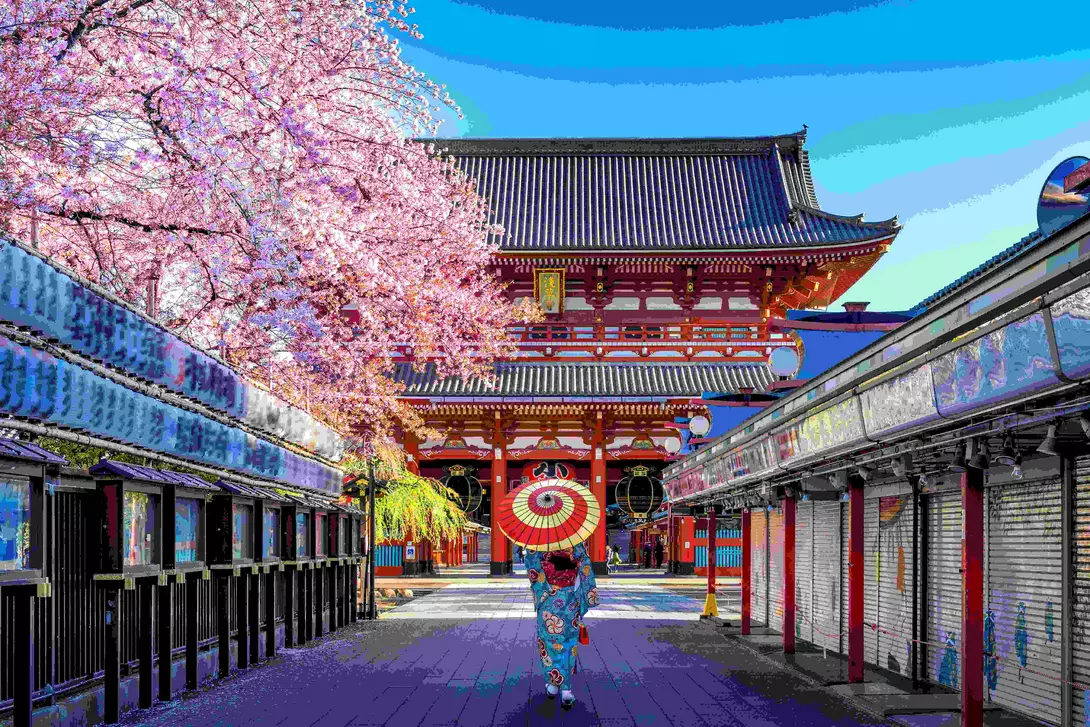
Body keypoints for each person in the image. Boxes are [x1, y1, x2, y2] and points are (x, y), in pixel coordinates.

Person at [524, 542, 598, 709]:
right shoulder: (575, 541)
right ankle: (566, 689)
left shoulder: (537, 542)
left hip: (549, 598)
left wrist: (545, 582)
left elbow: (532, 568)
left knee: (549, 642)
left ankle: (553, 684)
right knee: (568, 642)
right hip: (570, 599)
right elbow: (585, 567)